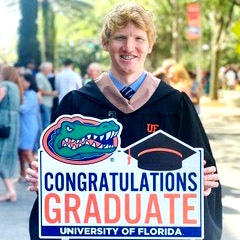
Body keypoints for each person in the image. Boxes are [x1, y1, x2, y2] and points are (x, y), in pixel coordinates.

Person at [26, 2, 222, 240]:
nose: (129, 47)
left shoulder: (175, 105)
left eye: (139, 38)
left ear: (150, 45)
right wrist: (46, 180)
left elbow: (205, 177)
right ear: (105, 43)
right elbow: (58, 177)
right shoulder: (76, 105)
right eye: (120, 38)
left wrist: (201, 185)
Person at [0, 65, 23, 202]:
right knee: (7, 155)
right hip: (13, 123)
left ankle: (11, 191)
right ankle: (10, 191)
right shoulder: (16, 87)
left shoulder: (5, 85)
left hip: (3, 123)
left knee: (1, 156)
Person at [17, 73, 40, 182]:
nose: (21, 83)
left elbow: (23, 109)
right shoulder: (25, 93)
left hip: (29, 126)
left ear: (29, 83)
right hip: (23, 125)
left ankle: (37, 176)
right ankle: (22, 174)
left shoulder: (31, 94)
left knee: (26, 151)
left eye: (23, 81)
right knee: (21, 151)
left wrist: (12, 105)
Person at [35, 61, 58, 130]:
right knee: (46, 122)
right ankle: (44, 139)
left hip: (47, 103)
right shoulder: (40, 77)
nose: (50, 71)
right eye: (49, 69)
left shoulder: (43, 76)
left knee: (47, 121)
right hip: (44, 103)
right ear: (44, 69)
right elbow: (39, 90)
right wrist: (52, 93)